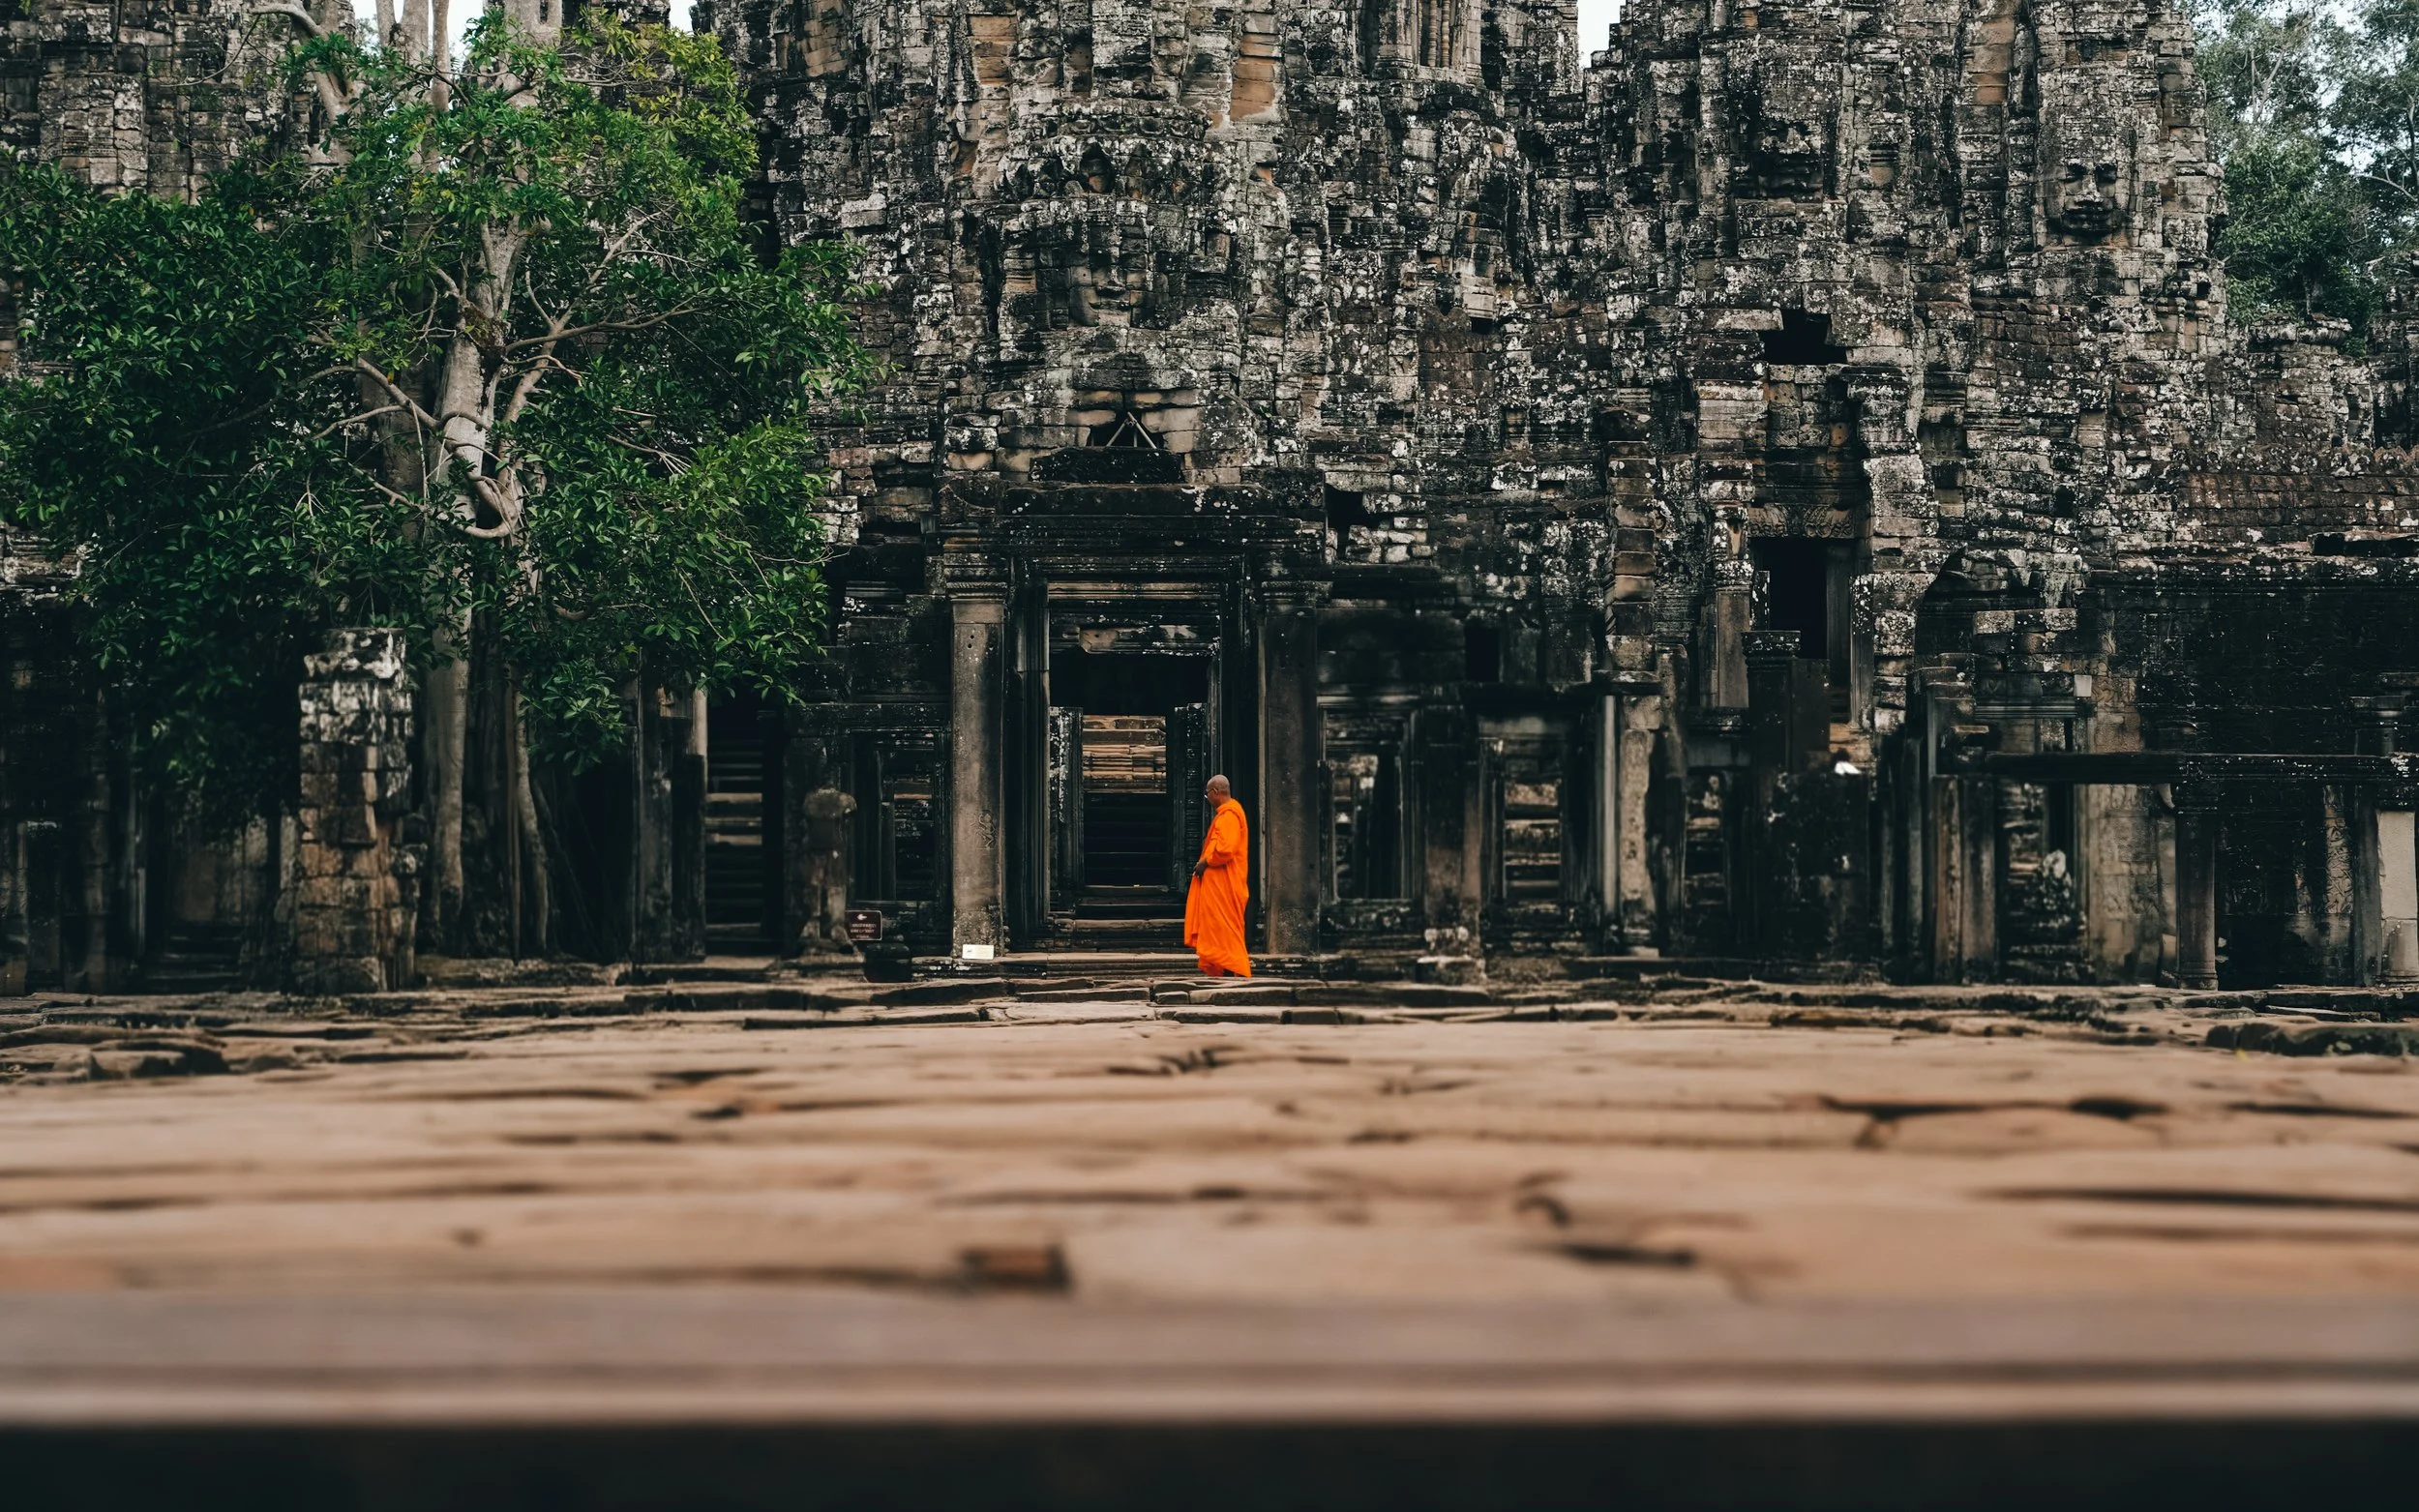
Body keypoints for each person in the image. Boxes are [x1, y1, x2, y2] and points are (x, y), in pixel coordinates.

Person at [1183, 774, 1251, 977]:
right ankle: (1224, 967)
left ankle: (1231, 967)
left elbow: (1225, 849)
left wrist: (1204, 862)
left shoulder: (1230, 815)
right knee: (1218, 927)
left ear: (1214, 792)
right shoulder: (1228, 813)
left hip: (1224, 885)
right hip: (1220, 884)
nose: (1208, 799)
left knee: (1223, 927)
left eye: (1207, 795)